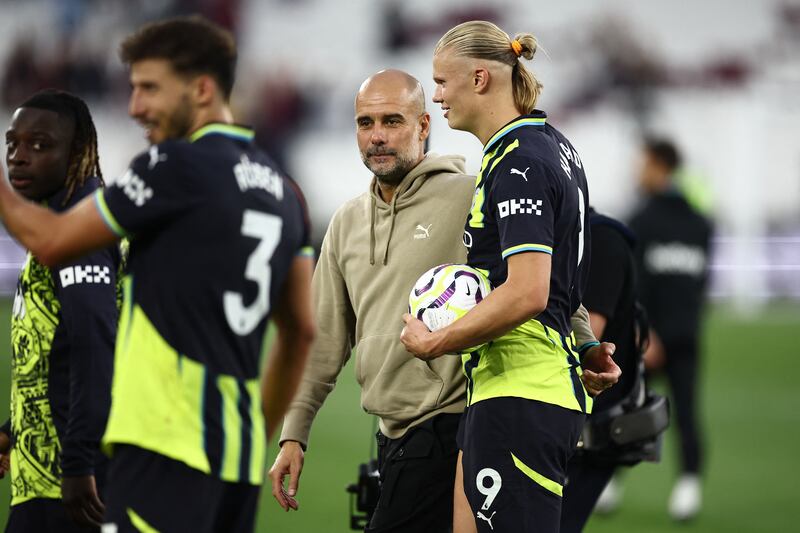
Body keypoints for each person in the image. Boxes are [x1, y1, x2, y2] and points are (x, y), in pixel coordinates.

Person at [0, 16, 315, 533]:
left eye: (149, 88)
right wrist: (253, 429)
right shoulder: (285, 192)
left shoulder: (174, 165)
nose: (135, 106)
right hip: (234, 459)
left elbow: (52, 239)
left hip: (164, 448)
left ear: (202, 89)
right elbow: (301, 329)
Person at [268, 69, 610, 532]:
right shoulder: (345, 224)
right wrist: (295, 434)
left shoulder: (470, 194)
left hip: (457, 423)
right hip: (392, 436)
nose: (377, 137)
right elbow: (323, 341)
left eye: (392, 121)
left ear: (424, 126)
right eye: (365, 123)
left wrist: (585, 343)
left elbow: (543, 280)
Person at [401, 21, 620, 533]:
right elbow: (559, 283)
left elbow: (528, 291)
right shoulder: (552, 149)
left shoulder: (520, 164)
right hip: (516, 392)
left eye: (441, 82)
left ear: (480, 79)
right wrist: (586, 344)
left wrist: (437, 343)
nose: (435, 97)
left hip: (522, 396)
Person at [0, 89, 122, 532]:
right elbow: (58, 349)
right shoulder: (63, 224)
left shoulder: (81, 230)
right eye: (13, 143)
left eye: (39, 145)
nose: (18, 156)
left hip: (68, 487)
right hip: (47, 474)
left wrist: (78, 464)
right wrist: (14, 428)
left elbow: (94, 348)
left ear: (78, 152)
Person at [628, 137, 712, 521]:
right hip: (681, 335)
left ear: (660, 166)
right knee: (677, 412)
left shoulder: (642, 221)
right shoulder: (701, 222)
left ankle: (685, 485)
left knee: (625, 408)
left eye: (642, 163)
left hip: (654, 338)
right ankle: (686, 486)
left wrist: (643, 332)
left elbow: (633, 284)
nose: (636, 171)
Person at [560, 208, 642, 532]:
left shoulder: (602, 240)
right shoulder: (571, 236)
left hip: (590, 432)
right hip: (569, 423)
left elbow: (589, 338)